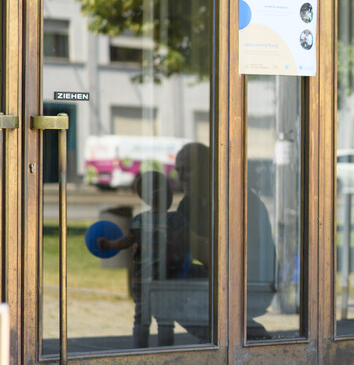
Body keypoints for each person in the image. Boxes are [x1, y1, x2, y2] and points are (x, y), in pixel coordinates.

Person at [174, 142, 276, 341]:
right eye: (178, 171)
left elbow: (241, 258)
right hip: (216, 276)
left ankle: (255, 341)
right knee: (164, 291)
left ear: (207, 168)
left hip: (251, 282)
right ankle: (234, 341)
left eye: (187, 170)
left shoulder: (241, 201)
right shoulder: (188, 204)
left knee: (195, 310)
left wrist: (194, 242)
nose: (180, 178)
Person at [98, 170, 187, 348]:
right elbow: (185, 243)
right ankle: (165, 351)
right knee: (165, 318)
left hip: (141, 279)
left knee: (141, 317)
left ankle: (140, 350)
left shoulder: (139, 221)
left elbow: (124, 242)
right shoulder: (176, 220)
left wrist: (108, 245)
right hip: (165, 279)